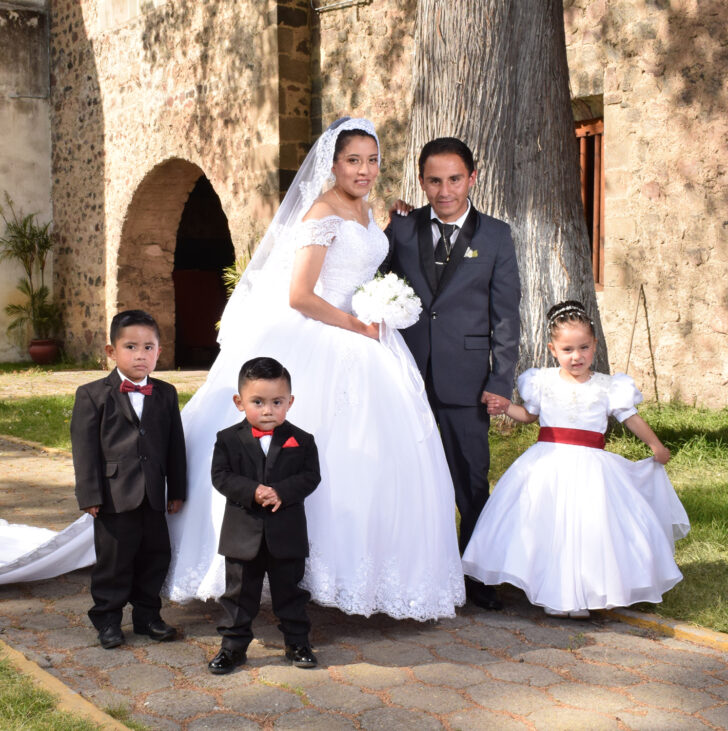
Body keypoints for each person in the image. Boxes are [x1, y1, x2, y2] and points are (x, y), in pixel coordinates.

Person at [165, 117, 465, 619]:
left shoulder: (367, 210)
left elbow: (365, 256)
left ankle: (366, 574)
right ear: (332, 164)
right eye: (354, 160)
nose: (365, 170)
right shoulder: (322, 211)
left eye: (372, 160)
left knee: (382, 456)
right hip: (328, 332)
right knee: (321, 447)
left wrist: (377, 306)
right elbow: (300, 295)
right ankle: (287, 572)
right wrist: (355, 322)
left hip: (369, 336)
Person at [461, 301, 690, 617]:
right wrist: (505, 407)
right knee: (549, 526)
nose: (576, 356)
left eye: (584, 347)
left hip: (591, 468)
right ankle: (555, 593)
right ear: (553, 349)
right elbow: (529, 416)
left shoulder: (610, 386)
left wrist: (655, 445)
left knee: (586, 529)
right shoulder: (542, 381)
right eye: (567, 349)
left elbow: (630, 417)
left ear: (595, 345)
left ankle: (580, 594)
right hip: (547, 462)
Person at [385, 137, 521, 611]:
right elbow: (375, 284)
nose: (445, 191)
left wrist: (499, 382)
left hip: (466, 381)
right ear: (422, 181)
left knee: (470, 478)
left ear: (472, 178)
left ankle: (476, 574)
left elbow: (506, 317)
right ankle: (418, 568)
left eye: (454, 179)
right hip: (405, 377)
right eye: (434, 180)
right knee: (411, 477)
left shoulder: (497, 236)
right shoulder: (401, 229)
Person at [71, 309, 187, 648]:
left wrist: (176, 489)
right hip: (112, 494)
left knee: (155, 555)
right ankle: (107, 619)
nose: (141, 355)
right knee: (114, 561)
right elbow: (85, 449)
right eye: (131, 347)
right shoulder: (92, 394)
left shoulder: (165, 393)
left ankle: (148, 616)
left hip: (153, 493)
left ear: (159, 352)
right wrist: (90, 494)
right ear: (111, 352)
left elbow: (175, 445)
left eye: (149, 347)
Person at [207, 357, 321, 675]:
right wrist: (253, 490)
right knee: (239, 595)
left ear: (290, 402)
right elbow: (221, 476)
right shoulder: (227, 439)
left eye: (277, 402)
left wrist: (281, 491)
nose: (268, 410)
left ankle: (297, 643)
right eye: (258, 402)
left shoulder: (303, 440)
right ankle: (232, 647)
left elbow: (311, 477)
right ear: (239, 402)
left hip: (287, 533)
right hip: (242, 533)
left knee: (291, 593)